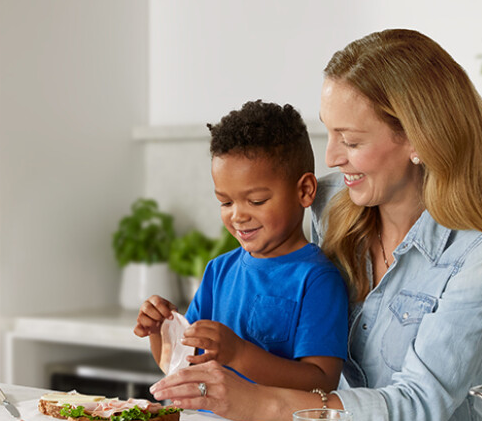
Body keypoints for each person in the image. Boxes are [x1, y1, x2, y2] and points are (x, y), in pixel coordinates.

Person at [150, 29, 482, 421]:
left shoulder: (478, 254)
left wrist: (260, 402)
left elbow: (418, 409)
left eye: (351, 140)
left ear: (417, 139)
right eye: (330, 134)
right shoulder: (328, 204)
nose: (332, 156)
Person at [135, 100, 349, 393]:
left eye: (256, 201)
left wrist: (238, 354)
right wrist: (160, 331)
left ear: (304, 190)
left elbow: (322, 382)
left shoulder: (317, 279)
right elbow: (184, 364)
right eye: (225, 202)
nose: (237, 215)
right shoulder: (218, 271)